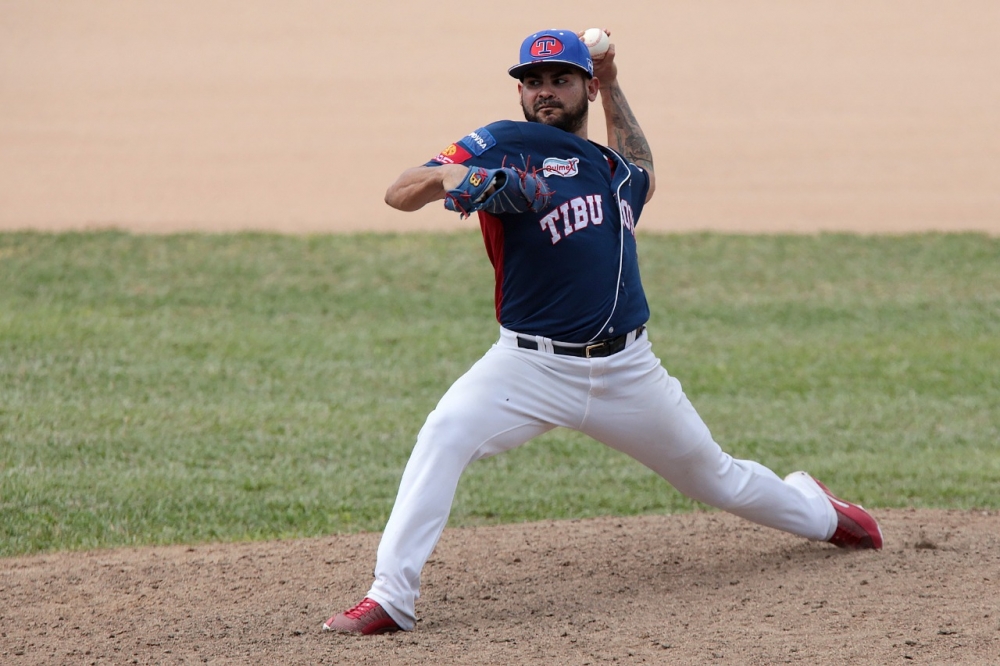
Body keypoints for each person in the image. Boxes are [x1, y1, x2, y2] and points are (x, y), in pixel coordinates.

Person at [323, 28, 882, 636]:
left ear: (585, 84)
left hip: (629, 372)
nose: (544, 92)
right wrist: (454, 182)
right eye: (532, 82)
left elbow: (641, 166)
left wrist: (614, 85)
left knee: (712, 476)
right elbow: (398, 192)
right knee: (445, 433)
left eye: (560, 79)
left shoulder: (613, 170)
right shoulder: (503, 142)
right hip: (527, 368)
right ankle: (390, 597)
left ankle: (823, 514)